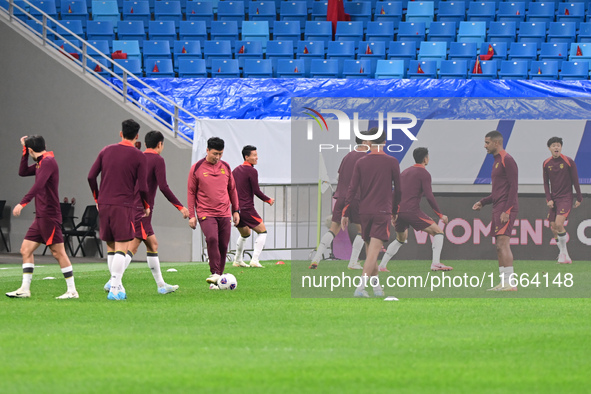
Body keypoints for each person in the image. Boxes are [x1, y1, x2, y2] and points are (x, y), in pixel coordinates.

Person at [103, 131, 190, 294]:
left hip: (132, 207)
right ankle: (113, 281)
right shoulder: (157, 160)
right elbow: (163, 186)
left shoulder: (138, 158)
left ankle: (161, 285)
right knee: (133, 247)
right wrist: (180, 207)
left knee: (153, 244)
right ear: (160, 144)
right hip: (142, 210)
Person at [6, 135, 78, 299]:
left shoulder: (48, 162)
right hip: (40, 217)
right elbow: (22, 172)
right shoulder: (41, 162)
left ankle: (72, 290)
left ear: (32, 149)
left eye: (28, 150)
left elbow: (38, 186)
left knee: (58, 252)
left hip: (49, 216)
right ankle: (25, 288)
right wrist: (24, 152)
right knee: (25, 250)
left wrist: (22, 203)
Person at [88, 119, 150, 301]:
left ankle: (117, 285)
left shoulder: (106, 150)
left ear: (120, 133)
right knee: (122, 247)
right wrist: (146, 205)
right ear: (137, 136)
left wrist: (97, 198)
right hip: (123, 205)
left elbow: (91, 176)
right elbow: (144, 187)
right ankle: (115, 289)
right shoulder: (139, 156)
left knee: (111, 247)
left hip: (105, 204)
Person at [342, 128, 401, 298]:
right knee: (373, 253)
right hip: (382, 211)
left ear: (368, 142)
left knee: (370, 253)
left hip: (364, 211)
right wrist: (395, 209)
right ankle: (359, 289)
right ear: (384, 142)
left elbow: (352, 189)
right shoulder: (392, 162)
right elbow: (399, 189)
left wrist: (345, 211)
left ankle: (376, 289)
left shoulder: (361, 162)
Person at [378, 147, 452, 273]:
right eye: (428, 156)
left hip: (400, 212)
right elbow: (429, 196)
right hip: (411, 211)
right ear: (425, 159)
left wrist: (393, 212)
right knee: (438, 232)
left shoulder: (405, 172)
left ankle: (382, 266)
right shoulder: (424, 174)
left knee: (400, 239)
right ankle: (435, 263)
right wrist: (440, 214)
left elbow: (395, 192)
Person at [187, 137, 240, 287]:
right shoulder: (197, 168)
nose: (217, 157)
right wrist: (192, 215)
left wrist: (235, 210)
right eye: (215, 154)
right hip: (205, 212)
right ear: (207, 150)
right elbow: (191, 192)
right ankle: (215, 272)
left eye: (220, 154)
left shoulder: (226, 167)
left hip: (224, 213)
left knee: (223, 245)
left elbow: (232, 189)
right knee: (212, 239)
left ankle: (219, 280)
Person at [310, 136, 366, 270]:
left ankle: (316, 258)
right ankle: (353, 262)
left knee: (333, 229)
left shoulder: (347, 156)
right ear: (365, 142)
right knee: (363, 231)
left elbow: (338, 177)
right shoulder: (365, 158)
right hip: (355, 197)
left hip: (341, 197)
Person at [472, 131, 519, 291]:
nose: (485, 146)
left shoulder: (508, 160)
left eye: (487, 142)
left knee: (503, 244)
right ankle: (503, 283)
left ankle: (510, 283)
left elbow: (514, 187)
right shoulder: (496, 161)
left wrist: (507, 210)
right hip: (497, 207)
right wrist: (483, 202)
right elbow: (499, 191)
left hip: (506, 208)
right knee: (499, 245)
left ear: (496, 143)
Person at [232, 145, 275, 268]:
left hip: (236, 209)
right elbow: (256, 190)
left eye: (257, 155)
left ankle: (237, 260)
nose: (257, 158)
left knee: (245, 234)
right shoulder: (252, 171)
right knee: (263, 231)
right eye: (254, 155)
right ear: (247, 157)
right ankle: (254, 260)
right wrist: (268, 199)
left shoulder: (235, 170)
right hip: (246, 208)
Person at [543, 137, 582, 264]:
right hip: (554, 198)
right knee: (553, 227)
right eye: (553, 145)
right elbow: (545, 183)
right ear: (549, 148)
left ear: (561, 147)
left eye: (558, 145)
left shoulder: (568, 161)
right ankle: (565, 255)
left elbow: (575, 180)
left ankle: (563, 253)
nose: (556, 148)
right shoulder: (546, 163)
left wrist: (579, 197)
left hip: (566, 197)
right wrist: (548, 198)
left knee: (559, 224)